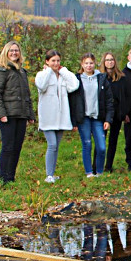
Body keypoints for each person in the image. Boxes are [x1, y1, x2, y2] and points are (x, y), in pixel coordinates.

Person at [0, 41, 35, 185]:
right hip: (7, 116)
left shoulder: (22, 72)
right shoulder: (1, 71)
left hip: (21, 115)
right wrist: (1, 114)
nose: (14, 53)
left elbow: (27, 95)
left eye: (16, 50)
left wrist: (30, 115)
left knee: (17, 147)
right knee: (8, 147)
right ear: (6, 52)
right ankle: (4, 178)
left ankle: (11, 176)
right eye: (11, 50)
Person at [34, 50, 79, 183]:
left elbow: (74, 85)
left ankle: (52, 174)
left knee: (56, 146)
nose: (56, 63)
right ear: (47, 61)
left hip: (61, 117)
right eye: (53, 60)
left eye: (58, 60)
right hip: (48, 117)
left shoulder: (63, 75)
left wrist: (64, 71)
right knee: (52, 145)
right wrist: (48, 71)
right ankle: (48, 175)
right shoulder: (42, 74)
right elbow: (41, 86)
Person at [69, 53, 114, 177]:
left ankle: (99, 172)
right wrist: (74, 122)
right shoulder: (76, 79)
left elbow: (109, 101)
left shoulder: (101, 78)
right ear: (82, 64)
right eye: (86, 63)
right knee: (87, 144)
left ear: (95, 64)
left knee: (101, 147)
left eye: (91, 63)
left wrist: (108, 119)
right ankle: (89, 172)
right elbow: (72, 102)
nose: (89, 66)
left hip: (98, 118)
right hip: (83, 118)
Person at [100, 52, 126, 172]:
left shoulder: (121, 77)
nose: (109, 62)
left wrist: (124, 113)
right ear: (103, 62)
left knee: (113, 141)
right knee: (101, 140)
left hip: (117, 113)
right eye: (107, 60)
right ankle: (97, 165)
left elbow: (124, 96)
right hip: (103, 114)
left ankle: (108, 166)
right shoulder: (99, 77)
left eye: (111, 60)